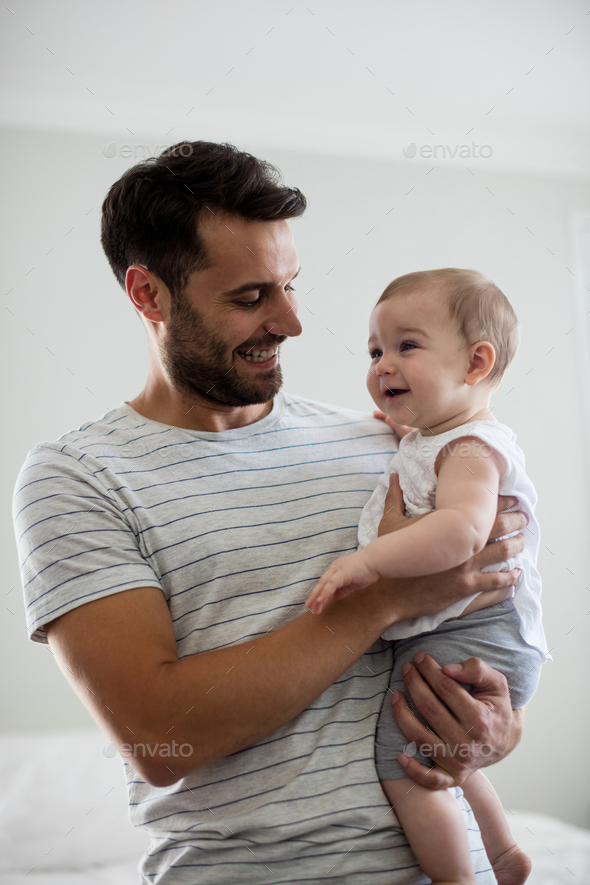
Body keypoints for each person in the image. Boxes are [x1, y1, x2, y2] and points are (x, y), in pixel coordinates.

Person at [13, 142, 527, 885]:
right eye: (251, 297)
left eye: (291, 285)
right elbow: (160, 739)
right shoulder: (81, 477)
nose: (290, 322)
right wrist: (387, 597)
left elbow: (483, 621)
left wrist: (495, 729)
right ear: (148, 294)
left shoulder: (390, 443)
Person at [307, 268, 548, 885]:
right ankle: (502, 852)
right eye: (375, 350)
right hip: (470, 634)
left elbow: (462, 533)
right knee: (441, 749)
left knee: (403, 767)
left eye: (406, 346)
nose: (383, 364)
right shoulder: (436, 438)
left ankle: (458, 879)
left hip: (482, 633)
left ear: (475, 363)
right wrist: (402, 429)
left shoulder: (470, 450)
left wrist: (368, 562)